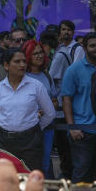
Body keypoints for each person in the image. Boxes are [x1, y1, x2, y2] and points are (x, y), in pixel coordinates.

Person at [0, 48, 54, 171]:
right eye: (17, 61)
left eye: (24, 61)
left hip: (31, 142)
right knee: (6, 177)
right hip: (4, 142)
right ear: (6, 65)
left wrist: (35, 127)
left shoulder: (35, 86)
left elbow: (50, 113)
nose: (22, 65)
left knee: (31, 177)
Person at [60, 32, 96, 183]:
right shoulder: (73, 70)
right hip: (82, 132)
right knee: (81, 173)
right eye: (92, 46)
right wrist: (72, 127)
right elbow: (66, 99)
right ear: (84, 48)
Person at [23, 39, 59, 178]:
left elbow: (54, 100)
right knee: (32, 163)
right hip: (29, 128)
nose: (39, 56)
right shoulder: (23, 76)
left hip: (47, 126)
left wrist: (48, 107)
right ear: (27, 56)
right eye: (34, 53)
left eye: (40, 53)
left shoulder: (46, 75)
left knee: (45, 162)